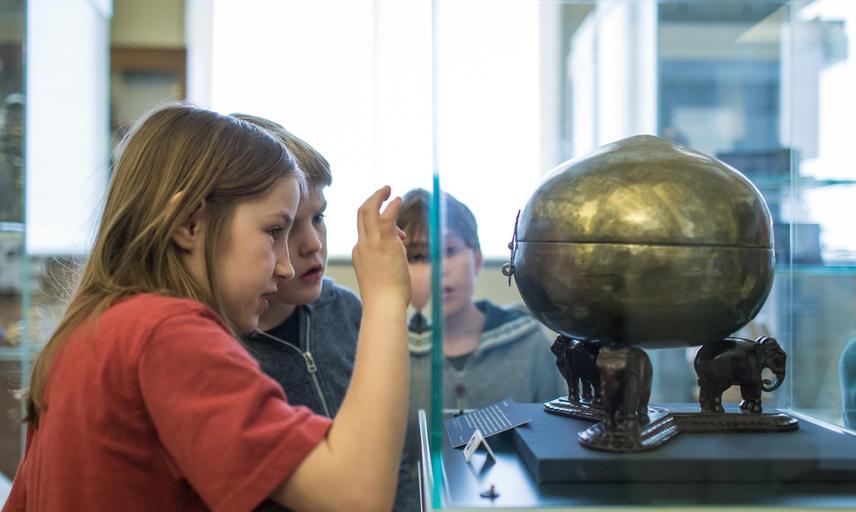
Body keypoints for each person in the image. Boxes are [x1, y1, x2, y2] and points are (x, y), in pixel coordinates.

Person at [3, 103, 410, 512]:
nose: (286, 265)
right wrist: (387, 297)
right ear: (189, 224)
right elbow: (356, 494)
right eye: (273, 231)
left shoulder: (93, 325)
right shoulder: (167, 334)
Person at [232, 115, 417, 511]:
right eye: (281, 227)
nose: (313, 243)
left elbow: (393, 458)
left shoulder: (347, 311)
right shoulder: (220, 347)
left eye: (319, 217)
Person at [396, 188, 564, 495]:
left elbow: (557, 447)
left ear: (475, 260)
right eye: (419, 256)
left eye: (449, 251)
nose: (439, 268)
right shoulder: (388, 355)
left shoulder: (529, 344)